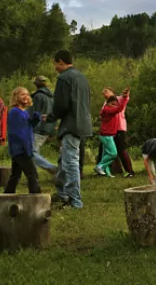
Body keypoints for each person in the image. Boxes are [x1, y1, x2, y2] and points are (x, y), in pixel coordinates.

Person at [44, 50, 93, 209]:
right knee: (64, 160)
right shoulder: (82, 78)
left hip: (71, 125)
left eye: (55, 64)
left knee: (70, 162)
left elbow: (61, 105)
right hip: (83, 123)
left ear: (61, 62)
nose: (54, 67)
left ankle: (74, 200)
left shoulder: (64, 78)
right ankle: (62, 192)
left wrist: (50, 117)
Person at [4, 87, 42, 194]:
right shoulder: (15, 112)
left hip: (21, 148)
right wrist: (26, 148)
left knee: (15, 175)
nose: (25, 96)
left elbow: (27, 127)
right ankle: (36, 197)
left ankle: (6, 195)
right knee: (32, 173)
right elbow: (17, 132)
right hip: (20, 148)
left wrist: (35, 120)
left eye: (27, 94)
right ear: (16, 97)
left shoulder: (24, 112)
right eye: (22, 94)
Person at [99, 87, 135, 178]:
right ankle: (105, 170)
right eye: (103, 93)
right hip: (108, 130)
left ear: (112, 91)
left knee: (121, 150)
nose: (104, 94)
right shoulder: (105, 103)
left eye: (106, 91)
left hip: (119, 128)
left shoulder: (119, 98)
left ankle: (129, 171)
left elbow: (124, 100)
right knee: (105, 151)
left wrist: (125, 95)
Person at [28, 76, 58, 174]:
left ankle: (52, 168)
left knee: (32, 153)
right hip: (49, 127)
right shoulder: (51, 96)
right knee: (35, 151)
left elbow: (34, 113)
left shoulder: (37, 96)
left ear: (36, 85)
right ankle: (34, 175)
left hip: (39, 127)